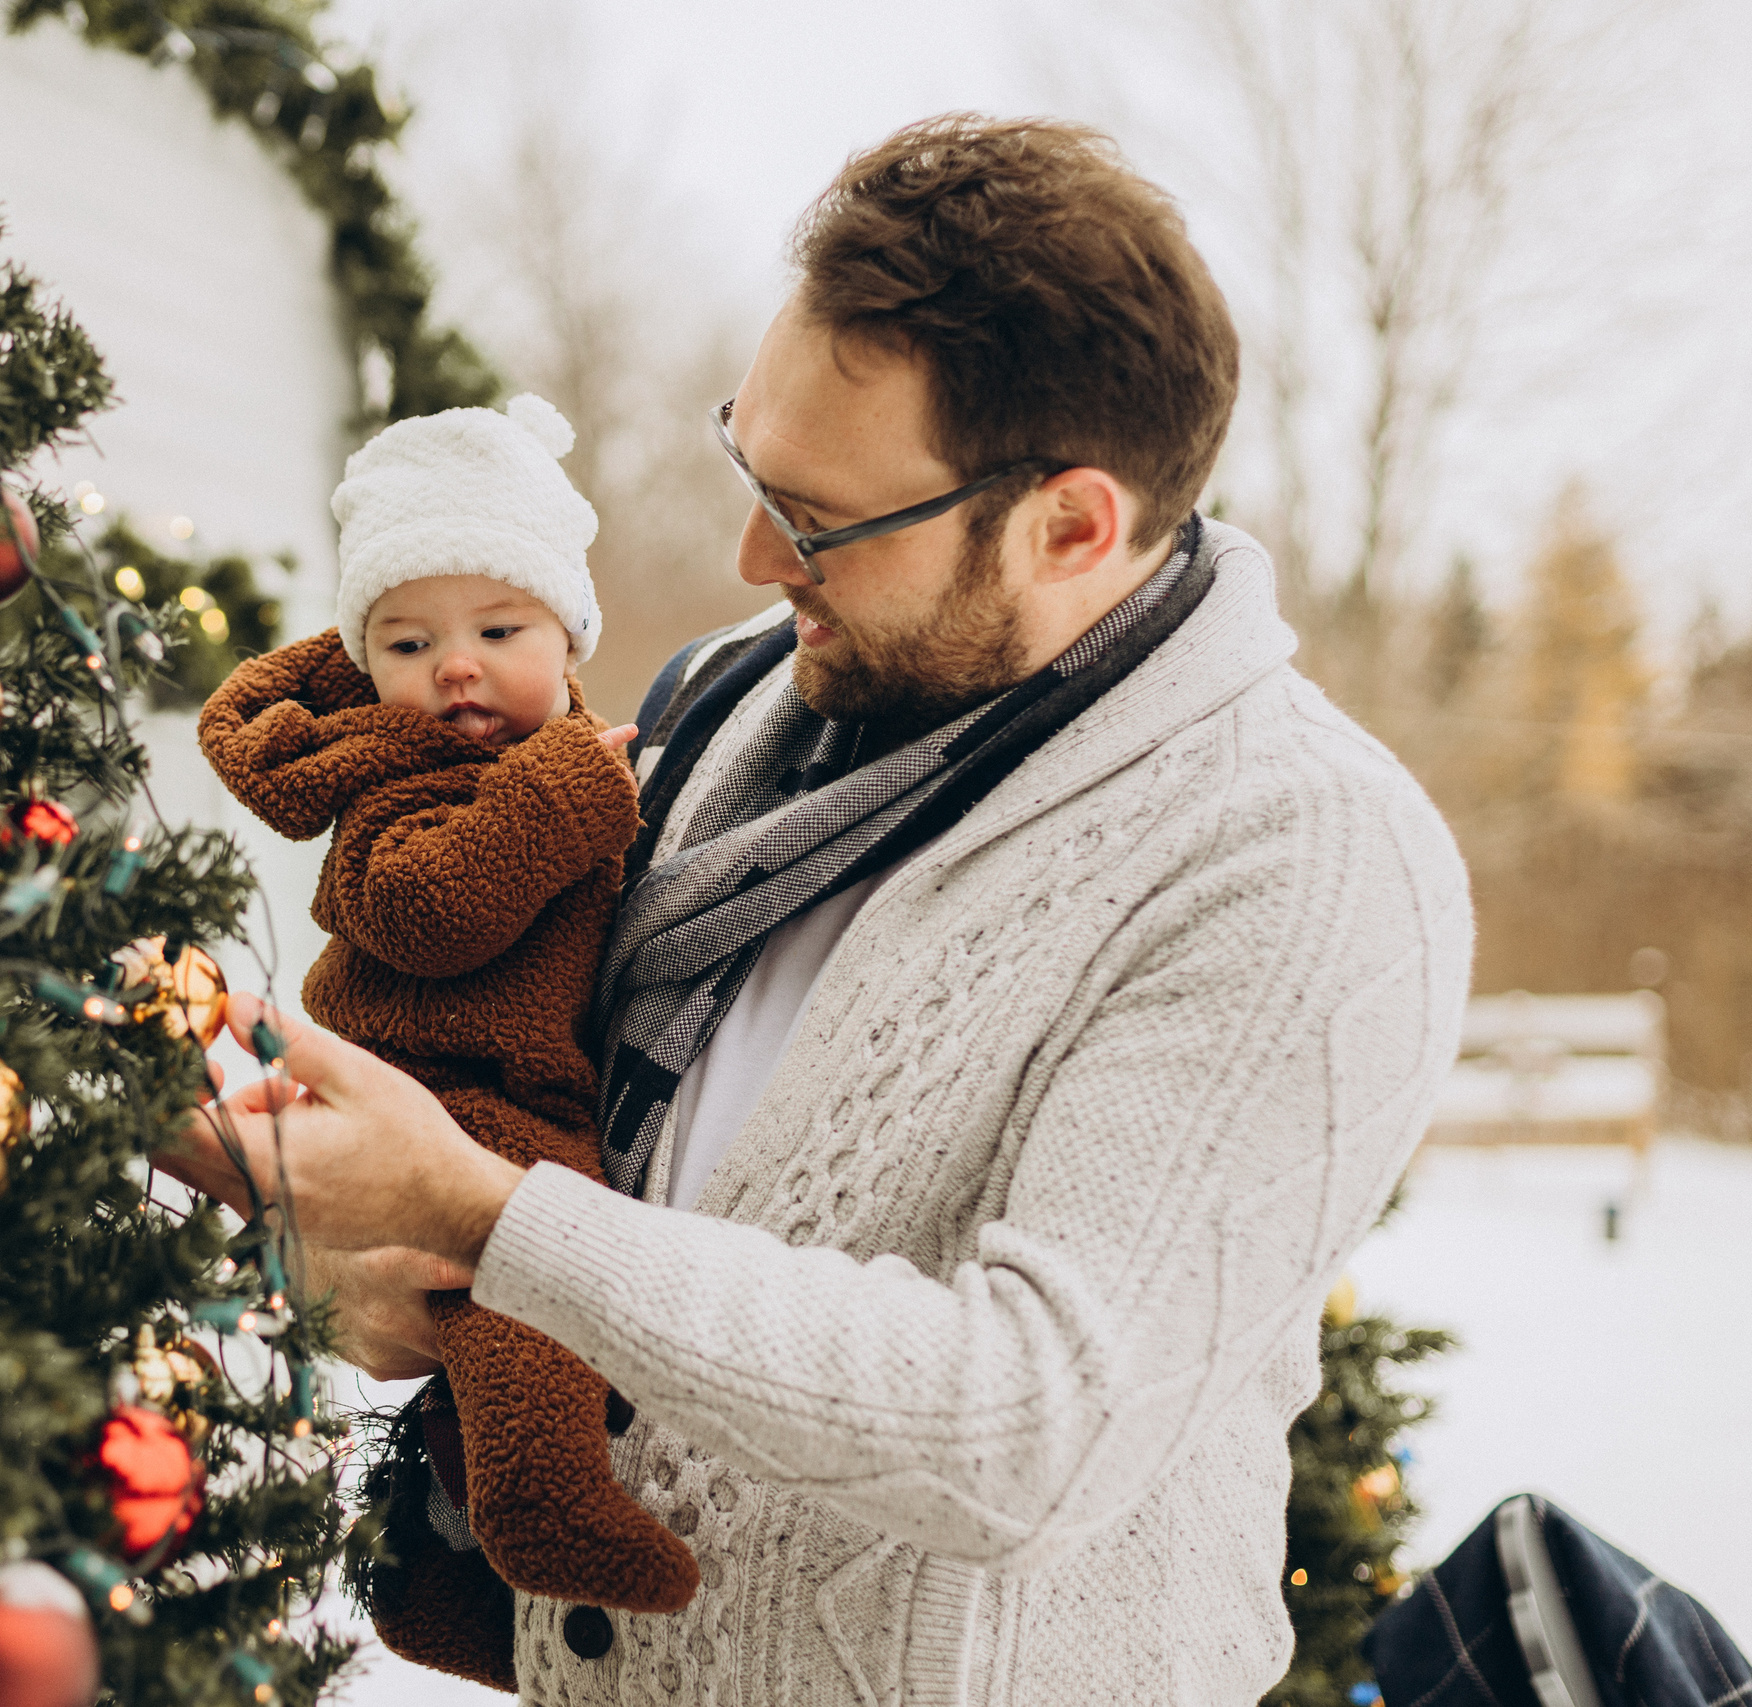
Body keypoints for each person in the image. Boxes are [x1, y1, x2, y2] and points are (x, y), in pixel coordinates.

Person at [167, 114, 1474, 1704]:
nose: (748, 554)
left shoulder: (1297, 860)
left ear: (1071, 525)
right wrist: (380, 1265)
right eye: (752, 466)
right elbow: (567, 1145)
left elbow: (1029, 1428)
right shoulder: (732, 708)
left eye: (821, 520)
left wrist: (491, 1227)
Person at [196, 394, 690, 1687]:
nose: (455, 668)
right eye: (409, 642)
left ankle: (438, 1571)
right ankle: (538, 1507)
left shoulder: (562, 761)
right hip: (442, 1101)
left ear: (568, 633)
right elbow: (430, 912)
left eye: (499, 628)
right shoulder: (401, 783)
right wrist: (566, 793)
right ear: (365, 667)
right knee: (530, 1310)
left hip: (521, 1098)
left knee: (487, 1346)